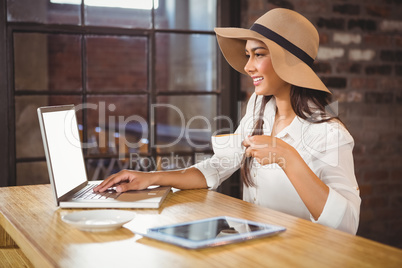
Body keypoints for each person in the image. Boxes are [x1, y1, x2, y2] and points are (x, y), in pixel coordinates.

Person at [94, 8, 360, 234]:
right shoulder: (259, 107)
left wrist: (288, 158)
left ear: (289, 63)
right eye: (248, 55)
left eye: (259, 54)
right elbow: (219, 166)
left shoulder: (329, 133)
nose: (248, 66)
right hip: (252, 249)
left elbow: (347, 224)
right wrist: (150, 178)